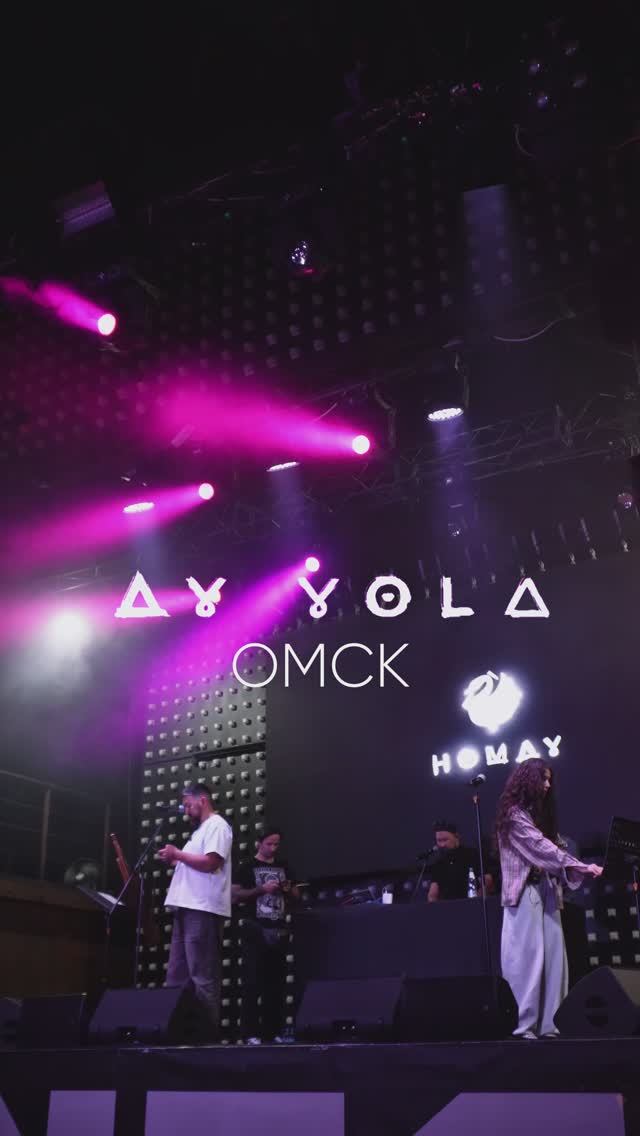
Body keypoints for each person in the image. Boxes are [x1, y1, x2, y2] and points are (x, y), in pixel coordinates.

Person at [495, 760, 603, 1039]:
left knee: (555, 961)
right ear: (528, 781)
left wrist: (576, 864)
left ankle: (550, 1025)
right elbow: (539, 847)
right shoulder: (514, 815)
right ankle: (524, 1026)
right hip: (525, 892)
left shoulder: (539, 816)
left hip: (548, 890)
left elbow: (554, 846)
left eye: (549, 780)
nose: (547, 785)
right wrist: (580, 866)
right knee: (527, 962)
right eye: (543, 779)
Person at [157, 782, 232, 1041]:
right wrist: (176, 859)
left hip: (202, 908)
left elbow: (211, 862)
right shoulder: (199, 831)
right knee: (176, 976)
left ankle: (206, 1038)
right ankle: (178, 1036)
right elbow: (195, 864)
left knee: (202, 976)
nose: (186, 810)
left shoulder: (217, 825)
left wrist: (178, 854)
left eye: (188, 805)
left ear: (202, 800)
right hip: (186, 908)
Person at [232, 828, 300, 1044]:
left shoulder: (284, 866)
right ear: (259, 843)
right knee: (252, 983)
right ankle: (250, 1033)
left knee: (276, 985)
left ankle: (274, 1032)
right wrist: (261, 890)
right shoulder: (246, 867)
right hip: (255, 928)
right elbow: (235, 895)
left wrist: (287, 889)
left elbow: (297, 894)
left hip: (278, 929)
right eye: (269, 844)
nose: (273, 848)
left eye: (276, 844)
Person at [427, 820, 494, 901]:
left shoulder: (472, 854)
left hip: (471, 903)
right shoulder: (439, 863)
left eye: (445, 840)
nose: (442, 845)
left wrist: (476, 902)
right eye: (439, 841)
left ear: (456, 837)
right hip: (448, 906)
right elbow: (432, 894)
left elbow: (487, 881)